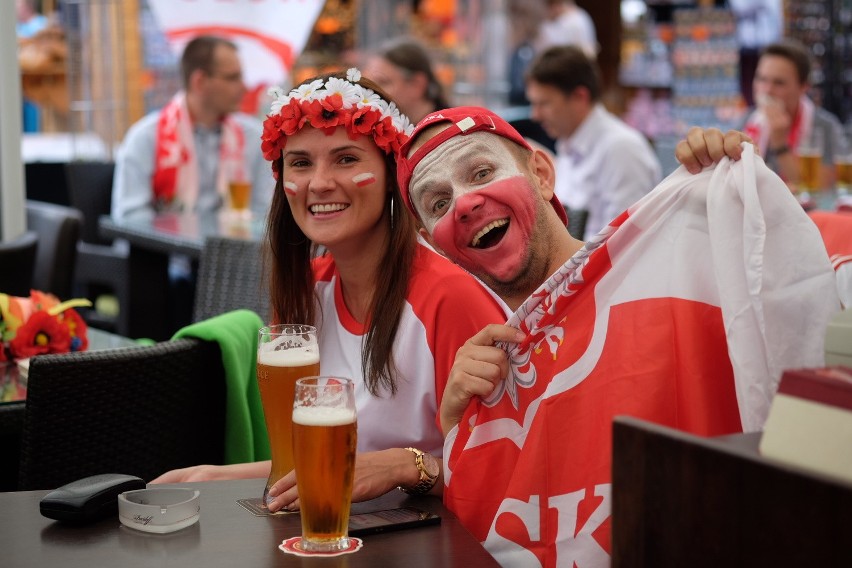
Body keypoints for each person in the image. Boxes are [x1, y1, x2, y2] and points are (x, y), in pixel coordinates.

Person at [396, 106, 839, 565]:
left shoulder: (670, 275)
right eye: (438, 204)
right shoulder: (485, 373)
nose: (464, 203)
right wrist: (458, 427)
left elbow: (797, 344)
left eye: (482, 171)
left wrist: (728, 182)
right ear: (435, 244)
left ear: (542, 175)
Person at [151, 69, 508, 512]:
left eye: (345, 159)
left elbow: (510, 470)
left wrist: (404, 466)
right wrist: (213, 476)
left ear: (391, 172)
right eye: (300, 163)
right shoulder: (307, 286)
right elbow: (318, 462)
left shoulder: (448, 297)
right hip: (333, 536)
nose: (319, 183)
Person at [111, 35, 271, 221]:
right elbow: (130, 217)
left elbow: (265, 211)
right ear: (199, 82)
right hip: (166, 249)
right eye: (232, 78)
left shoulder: (254, 137)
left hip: (235, 247)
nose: (244, 88)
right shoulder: (145, 137)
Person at [525, 44, 662, 239]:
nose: (535, 115)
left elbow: (621, 246)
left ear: (580, 97)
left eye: (544, 104)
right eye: (533, 104)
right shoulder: (568, 144)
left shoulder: (622, 149)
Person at [742, 38, 848, 191]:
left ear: (803, 87)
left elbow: (822, 190)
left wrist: (780, 144)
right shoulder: (747, 120)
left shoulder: (825, 126)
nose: (766, 90)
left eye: (779, 83)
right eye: (761, 79)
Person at [362, 37, 450, 125]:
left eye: (383, 82)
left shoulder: (449, 132)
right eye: (368, 84)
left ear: (416, 85)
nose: (371, 91)